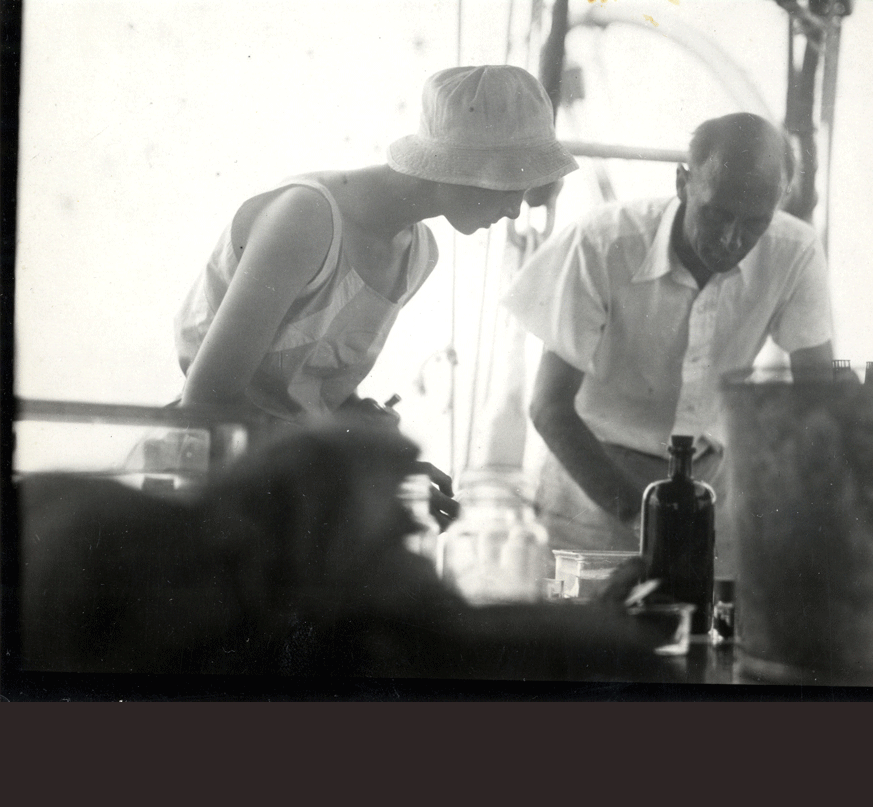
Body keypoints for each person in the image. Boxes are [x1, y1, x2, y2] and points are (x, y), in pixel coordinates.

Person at [502, 112, 834, 574]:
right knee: (586, 634)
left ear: (779, 203)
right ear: (683, 182)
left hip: (709, 481)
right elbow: (548, 407)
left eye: (754, 223)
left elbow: (818, 394)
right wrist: (639, 517)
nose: (731, 239)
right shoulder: (601, 243)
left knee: (704, 635)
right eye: (716, 214)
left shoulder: (795, 250)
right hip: (591, 480)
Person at [176, 64, 578, 430]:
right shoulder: (307, 218)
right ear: (456, 167)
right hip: (215, 465)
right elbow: (205, 403)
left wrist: (356, 423)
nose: (513, 210)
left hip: (285, 471)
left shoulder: (418, 253)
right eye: (509, 184)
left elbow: (298, 382)